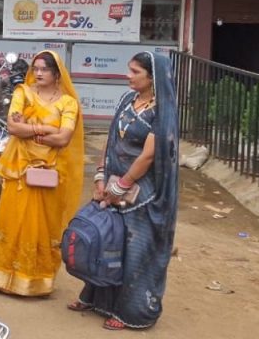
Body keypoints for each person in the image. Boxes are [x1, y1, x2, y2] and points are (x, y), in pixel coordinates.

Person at [68, 52, 179, 331]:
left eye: (134, 72)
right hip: (113, 185)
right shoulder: (126, 100)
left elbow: (148, 156)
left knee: (135, 252)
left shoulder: (161, 111)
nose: (127, 75)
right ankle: (95, 298)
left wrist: (122, 185)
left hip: (143, 195)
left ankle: (133, 313)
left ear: (151, 77)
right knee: (105, 241)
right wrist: (101, 176)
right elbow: (109, 139)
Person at [0, 50, 84, 297]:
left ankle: (38, 282)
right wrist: (47, 128)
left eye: (44, 69)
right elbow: (14, 127)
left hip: (50, 172)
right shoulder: (22, 93)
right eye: (35, 68)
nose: (37, 73)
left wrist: (33, 130)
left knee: (45, 226)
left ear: (57, 74)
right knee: (11, 221)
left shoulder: (68, 102)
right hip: (20, 170)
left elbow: (65, 138)